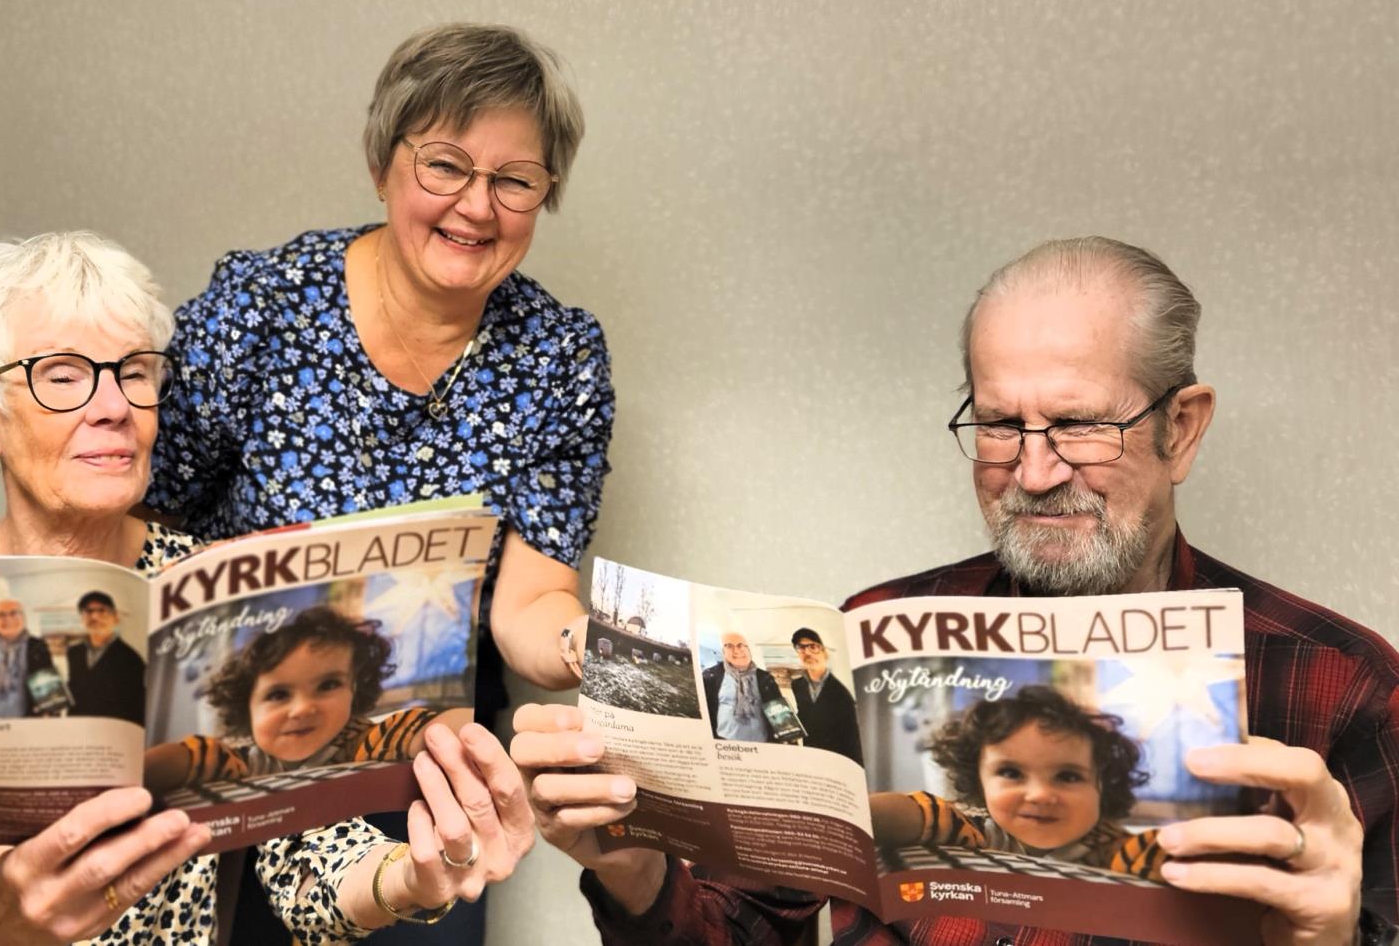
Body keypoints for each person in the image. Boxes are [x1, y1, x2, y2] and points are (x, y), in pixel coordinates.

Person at [513, 237, 1399, 946]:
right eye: (1002, 424)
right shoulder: (868, 639)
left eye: (1081, 424)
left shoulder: (1344, 688)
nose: (1036, 470)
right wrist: (634, 870)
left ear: (1183, 427)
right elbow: (745, 931)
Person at [0, 232, 535, 946]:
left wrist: (411, 877)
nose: (114, 405)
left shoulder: (220, 594)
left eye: (135, 371)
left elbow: (309, 854)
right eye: (64, 374)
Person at [146, 23, 612, 943]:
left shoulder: (561, 356)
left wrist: (623, 657)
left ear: (544, 195)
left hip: (418, 769)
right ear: (383, 164)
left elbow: (531, 605)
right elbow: (145, 517)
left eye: (514, 180)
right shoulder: (260, 308)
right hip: (229, 743)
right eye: (445, 165)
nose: (477, 207)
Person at [146, 605, 473, 788]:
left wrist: (465, 732)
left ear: (354, 689)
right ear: (247, 707)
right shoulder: (243, 759)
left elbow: (420, 728)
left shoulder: (359, 742)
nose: (302, 708)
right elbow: (187, 758)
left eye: (328, 685)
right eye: (278, 694)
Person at [870, 685, 1164, 881]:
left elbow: (1148, 853)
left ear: (1102, 786)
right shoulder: (982, 829)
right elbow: (922, 814)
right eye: (1011, 773)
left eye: (1068, 776)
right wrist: (862, 814)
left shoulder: (1103, 841)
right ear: (979, 781)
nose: (1039, 794)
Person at [66, 590, 146, 726]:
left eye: (102, 611)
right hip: (78, 729)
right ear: (82, 618)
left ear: (115, 618)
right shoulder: (74, 652)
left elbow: (136, 708)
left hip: (112, 734)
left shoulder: (131, 659)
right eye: (88, 611)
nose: (94, 616)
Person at [787, 627, 862, 761]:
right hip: (810, 757)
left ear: (825, 653)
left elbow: (852, 741)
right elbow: (806, 715)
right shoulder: (797, 685)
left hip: (835, 762)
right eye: (801, 647)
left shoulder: (842, 694)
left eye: (813, 646)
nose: (807, 652)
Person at [702, 632, 784, 743]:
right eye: (729, 646)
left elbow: (779, 712)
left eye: (741, 645)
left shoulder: (766, 678)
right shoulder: (709, 677)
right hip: (725, 746)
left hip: (762, 745)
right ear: (723, 652)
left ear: (749, 649)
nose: (736, 650)